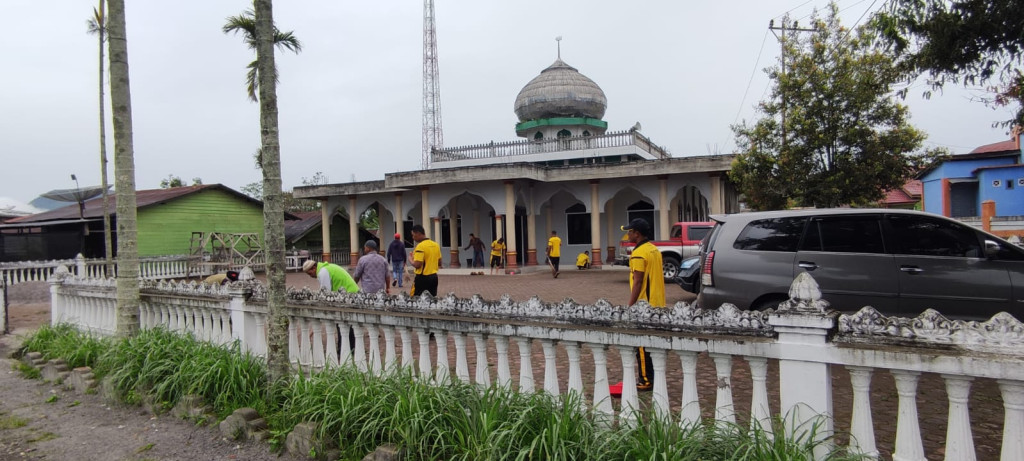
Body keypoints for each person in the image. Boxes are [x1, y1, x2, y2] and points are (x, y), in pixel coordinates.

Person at [622, 217, 664, 391]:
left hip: (644, 305)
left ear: (637, 234)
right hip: (657, 302)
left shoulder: (638, 253)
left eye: (629, 231)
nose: (627, 235)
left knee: (641, 345)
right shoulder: (654, 250)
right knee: (652, 344)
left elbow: (638, 282)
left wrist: (630, 306)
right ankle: (654, 376)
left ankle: (646, 379)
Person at [410, 224, 441, 297]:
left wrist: (410, 259)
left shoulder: (420, 246)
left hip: (422, 277)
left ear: (418, 233)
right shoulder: (436, 245)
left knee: (416, 299)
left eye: (414, 235)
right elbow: (439, 262)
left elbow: (418, 264)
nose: (413, 238)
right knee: (432, 300)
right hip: (434, 277)